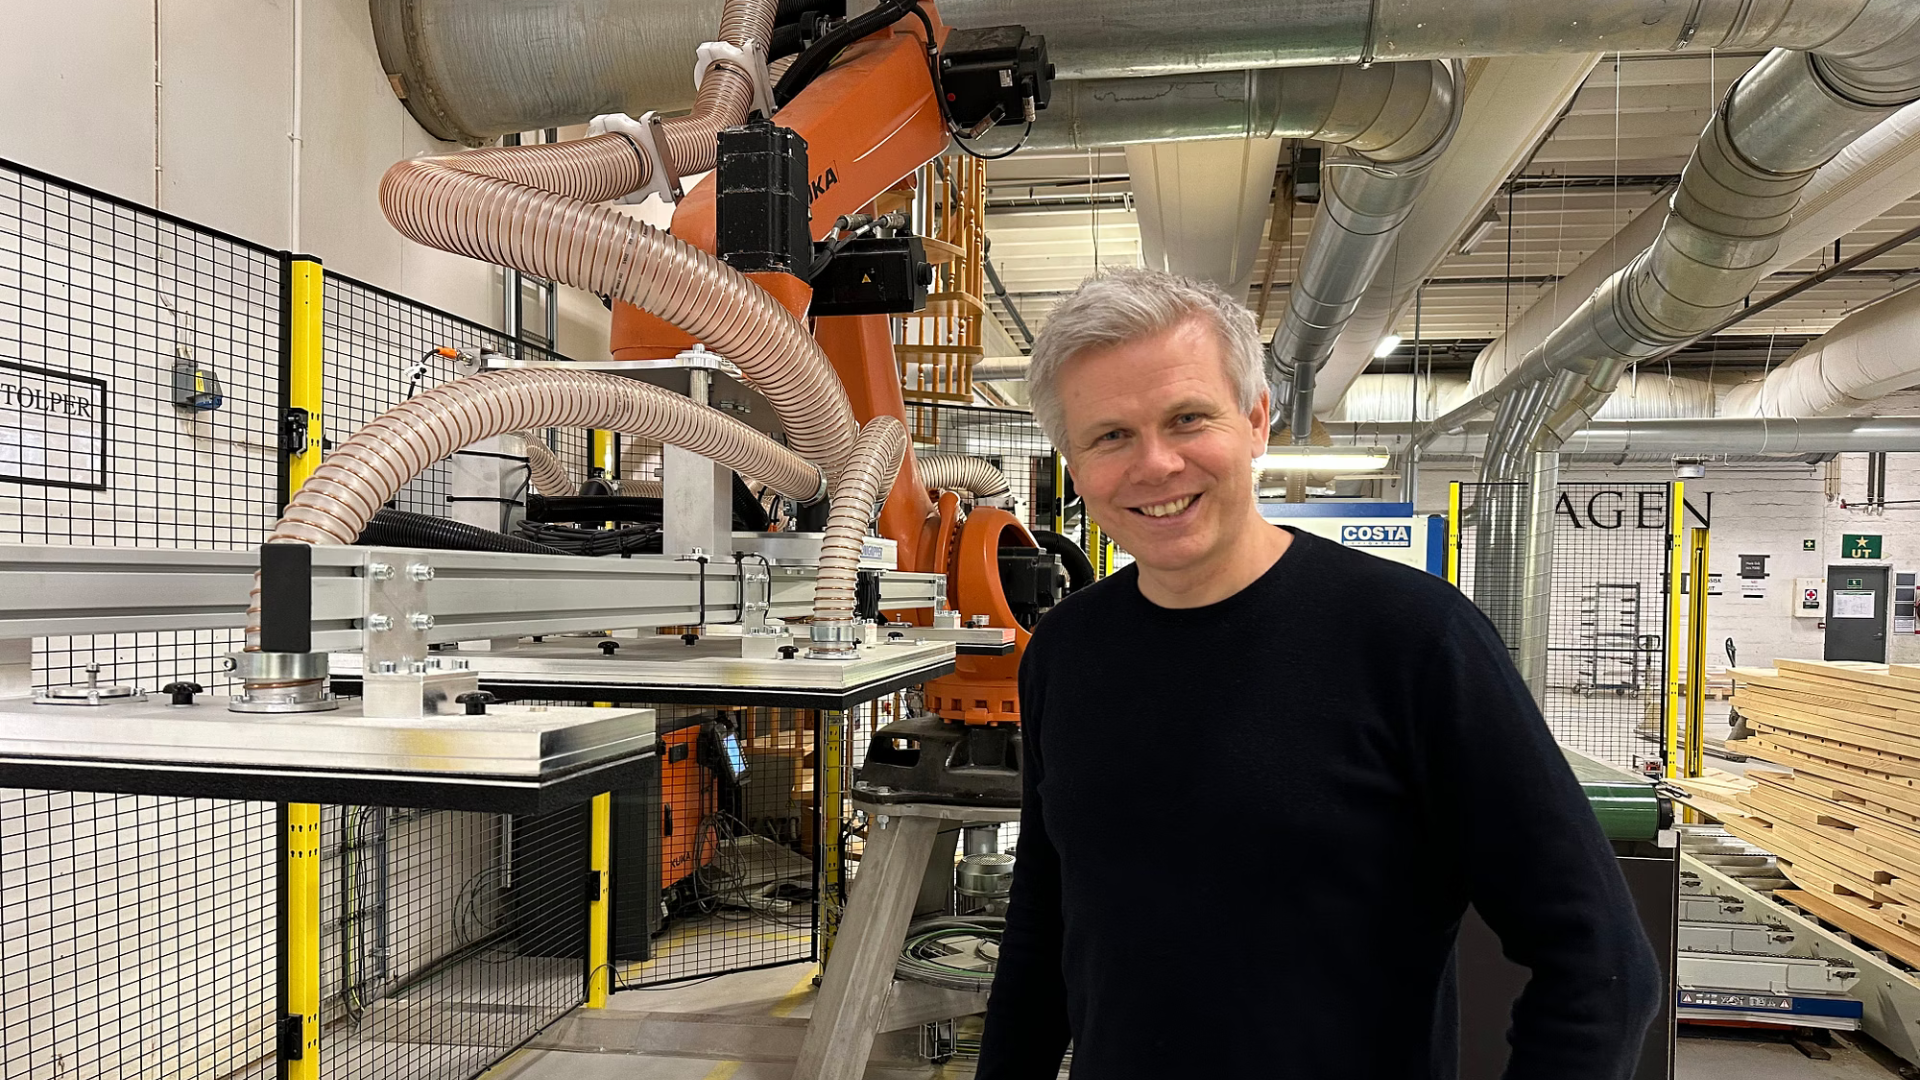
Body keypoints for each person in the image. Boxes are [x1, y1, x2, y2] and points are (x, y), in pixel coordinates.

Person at [975, 268, 1663, 1079]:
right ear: (1074, 462)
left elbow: (1601, 967)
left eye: (1188, 418)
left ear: (1255, 421)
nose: (1155, 464)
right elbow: (1042, 928)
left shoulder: (1414, 639)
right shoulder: (1066, 650)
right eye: (1110, 436)